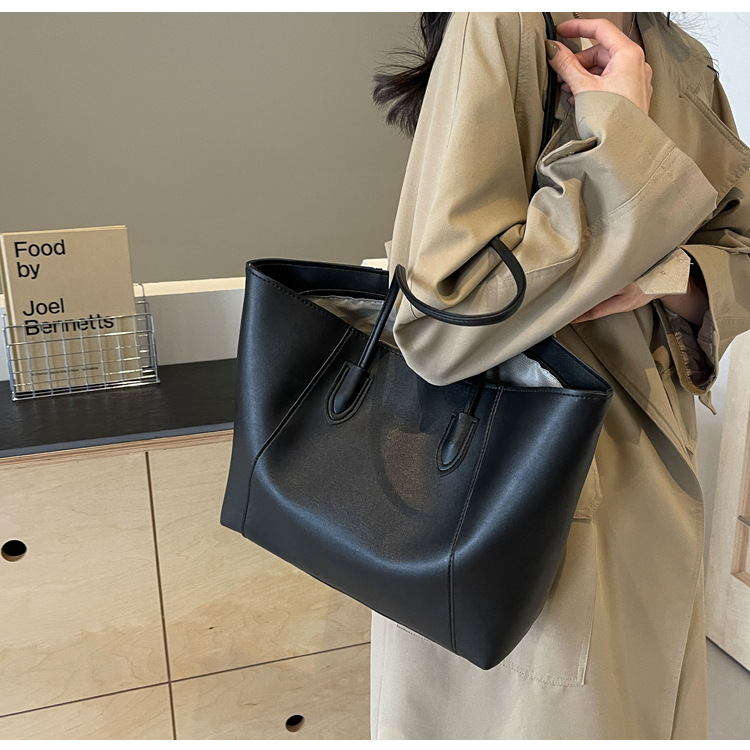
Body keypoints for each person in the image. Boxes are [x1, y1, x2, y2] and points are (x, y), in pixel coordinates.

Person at [369, 12, 750, 740]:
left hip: (650, 483)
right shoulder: (501, 22)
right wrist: (619, 136)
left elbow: (738, 245)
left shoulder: (680, 54)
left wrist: (671, 273)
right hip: (523, 493)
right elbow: (443, 321)